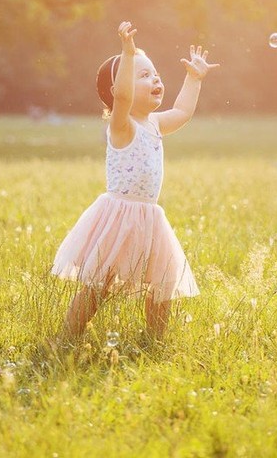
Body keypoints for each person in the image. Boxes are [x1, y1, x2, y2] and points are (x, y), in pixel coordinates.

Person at [52, 22, 219, 340]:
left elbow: (182, 111)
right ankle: (67, 337)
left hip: (150, 217)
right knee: (99, 286)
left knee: (162, 285)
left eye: (154, 73)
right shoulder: (122, 125)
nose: (155, 79)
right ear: (117, 93)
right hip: (121, 217)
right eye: (143, 75)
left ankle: (155, 340)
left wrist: (193, 78)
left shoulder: (155, 122)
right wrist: (128, 54)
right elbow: (124, 97)